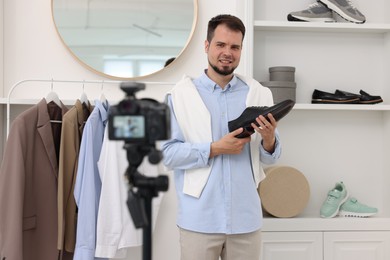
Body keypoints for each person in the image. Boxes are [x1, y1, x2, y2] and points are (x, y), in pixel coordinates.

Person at [161, 14, 282, 260]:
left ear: (240, 50)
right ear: (207, 46)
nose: (228, 52)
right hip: (199, 220)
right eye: (221, 45)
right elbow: (168, 155)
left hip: (245, 220)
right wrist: (215, 148)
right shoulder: (178, 96)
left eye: (235, 47)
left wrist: (269, 139)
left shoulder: (259, 94)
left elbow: (270, 159)